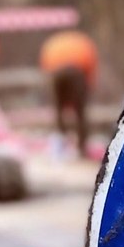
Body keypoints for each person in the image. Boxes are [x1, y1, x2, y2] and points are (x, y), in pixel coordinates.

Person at [39, 30, 98, 158]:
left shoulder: (54, 42)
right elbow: (90, 65)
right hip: (76, 70)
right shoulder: (83, 41)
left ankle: (60, 144)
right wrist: (88, 87)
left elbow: (45, 64)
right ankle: (82, 148)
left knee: (59, 109)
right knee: (80, 111)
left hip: (56, 71)